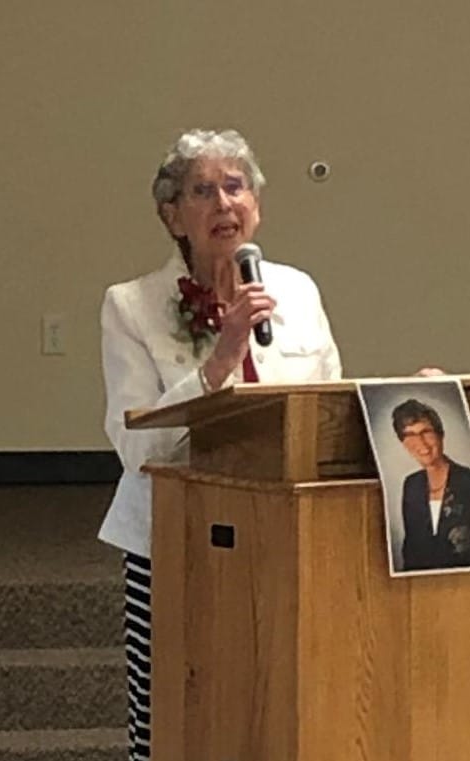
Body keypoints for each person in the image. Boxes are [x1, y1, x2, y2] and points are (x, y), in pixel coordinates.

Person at [98, 129, 342, 760]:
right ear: (172, 216)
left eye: (236, 187)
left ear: (256, 206)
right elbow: (135, 447)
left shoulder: (299, 292)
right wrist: (219, 362)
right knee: (175, 712)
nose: (223, 203)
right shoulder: (131, 307)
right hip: (176, 541)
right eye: (202, 191)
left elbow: (329, 409)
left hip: (289, 534)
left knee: (281, 703)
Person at [391, 398, 470, 572]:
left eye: (426, 432)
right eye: (410, 435)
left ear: (440, 434)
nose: (420, 442)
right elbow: (411, 547)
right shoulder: (411, 485)